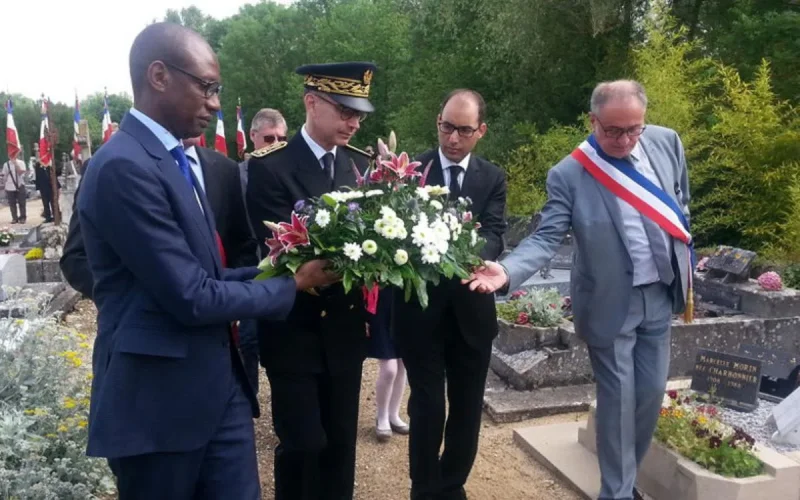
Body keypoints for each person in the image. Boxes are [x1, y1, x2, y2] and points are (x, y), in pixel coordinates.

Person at [76, 22, 336, 500]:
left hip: (218, 392)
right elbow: (191, 296)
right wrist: (293, 284)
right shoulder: (123, 167)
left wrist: (280, 265)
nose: (215, 102)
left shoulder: (171, 159)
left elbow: (209, 274)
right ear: (159, 76)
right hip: (157, 407)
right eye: (207, 87)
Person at [466, 80, 692, 500]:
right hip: (610, 303)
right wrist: (508, 269)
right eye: (612, 131)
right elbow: (546, 236)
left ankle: (626, 480)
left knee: (648, 399)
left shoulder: (667, 143)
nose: (624, 140)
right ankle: (617, 491)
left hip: (659, 295)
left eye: (633, 130)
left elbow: (680, 203)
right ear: (593, 121)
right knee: (619, 401)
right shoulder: (569, 173)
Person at [246, 61, 375, 500]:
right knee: (303, 445)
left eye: (359, 114)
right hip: (294, 332)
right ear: (312, 102)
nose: (353, 122)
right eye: (344, 110)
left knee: (340, 447)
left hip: (343, 330)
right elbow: (284, 251)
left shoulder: (362, 167)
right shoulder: (271, 167)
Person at [393, 89, 507, 500]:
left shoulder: (491, 178)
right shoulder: (411, 170)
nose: (452, 138)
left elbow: (495, 233)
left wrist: (467, 254)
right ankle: (423, 488)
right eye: (446, 127)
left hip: (472, 312)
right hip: (419, 313)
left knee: (465, 406)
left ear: (481, 131)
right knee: (428, 405)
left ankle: (452, 483)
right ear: (437, 121)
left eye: (463, 130)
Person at [367, 288, 409, 442]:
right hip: (380, 306)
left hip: (404, 304)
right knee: (390, 369)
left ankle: (394, 414)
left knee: (402, 364)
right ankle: (382, 415)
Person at [2, 152, 27, 224]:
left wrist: (15, 164)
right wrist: (4, 185)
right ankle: (14, 218)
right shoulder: (6, 164)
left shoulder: (21, 163)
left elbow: (20, 172)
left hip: (20, 185)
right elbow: (4, 176)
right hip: (9, 186)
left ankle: (22, 217)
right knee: (12, 203)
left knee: (22, 202)